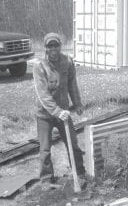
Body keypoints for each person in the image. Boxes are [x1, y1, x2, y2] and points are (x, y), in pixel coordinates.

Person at [33, 32, 86, 187]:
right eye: (50, 46)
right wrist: (57, 112)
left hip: (63, 113)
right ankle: (46, 180)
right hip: (44, 115)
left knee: (74, 145)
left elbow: (72, 85)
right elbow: (43, 94)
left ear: (60, 46)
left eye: (56, 45)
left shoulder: (67, 62)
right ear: (46, 48)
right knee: (45, 149)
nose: (54, 48)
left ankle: (80, 174)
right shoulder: (39, 67)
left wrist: (77, 103)